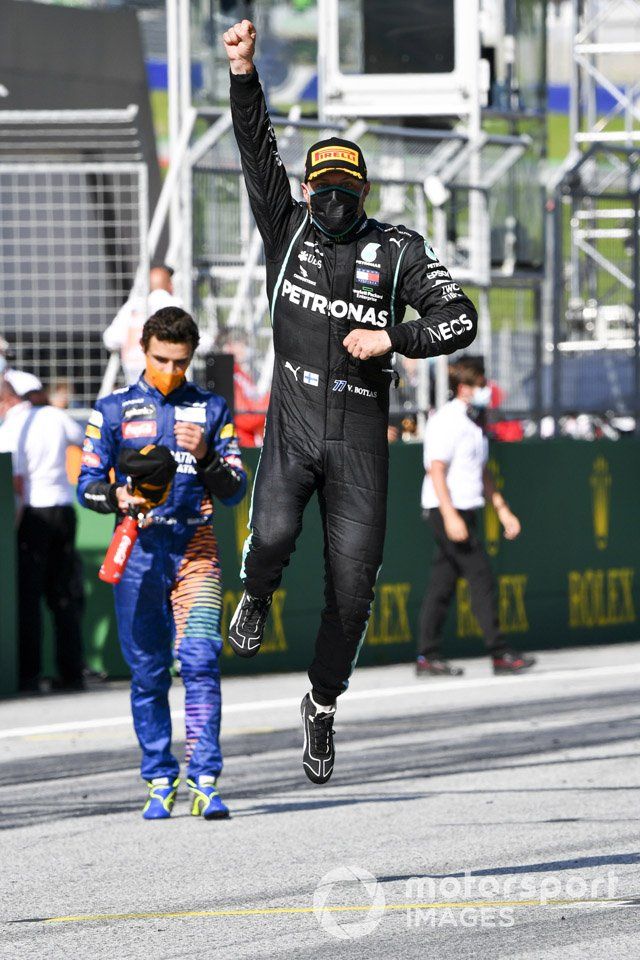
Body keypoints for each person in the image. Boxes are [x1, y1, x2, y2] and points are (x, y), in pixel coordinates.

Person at [223, 20, 478, 784]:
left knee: (354, 588)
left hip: (362, 439)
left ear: (364, 192)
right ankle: (256, 594)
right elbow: (256, 148)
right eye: (322, 189)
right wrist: (243, 72)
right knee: (272, 533)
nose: (332, 200)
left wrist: (393, 337)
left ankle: (323, 703)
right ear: (307, 190)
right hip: (294, 425)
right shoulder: (286, 227)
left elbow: (461, 316)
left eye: (346, 190)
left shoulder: (398, 249)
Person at [78, 307, 247, 820]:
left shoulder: (212, 408)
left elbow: (235, 490)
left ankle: (205, 779)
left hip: (196, 548)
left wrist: (209, 457)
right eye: (161, 360)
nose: (171, 371)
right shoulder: (111, 410)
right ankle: (158, 777)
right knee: (149, 671)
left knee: (199, 661)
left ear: (191, 357)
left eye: (180, 362)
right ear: (143, 351)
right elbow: (86, 486)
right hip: (139, 553)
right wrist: (117, 496)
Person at [416, 357, 535, 677]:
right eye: (480, 385)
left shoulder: (475, 423)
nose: (485, 391)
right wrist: (450, 516)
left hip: (466, 509)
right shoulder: (447, 420)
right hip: (446, 510)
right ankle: (499, 652)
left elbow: (482, 472)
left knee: (442, 584)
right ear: (464, 388)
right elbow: (436, 470)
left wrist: (502, 510)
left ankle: (427, 657)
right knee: (481, 576)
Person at [0, 371, 86, 693]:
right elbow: (85, 441)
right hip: (64, 508)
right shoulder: (54, 416)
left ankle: (29, 675)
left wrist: (14, 526)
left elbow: (17, 483)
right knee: (63, 595)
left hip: (33, 515)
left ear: (8, 398)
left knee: (29, 597)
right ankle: (72, 673)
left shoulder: (11, 429)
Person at [103, 264, 214, 385]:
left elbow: (110, 339)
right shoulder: (174, 305)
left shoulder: (131, 307)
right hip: (167, 380)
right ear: (170, 285)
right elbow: (203, 342)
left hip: (135, 378)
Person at [219, 328, 269, 447]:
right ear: (228, 346)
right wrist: (270, 403)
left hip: (252, 435)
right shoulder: (227, 374)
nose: (244, 348)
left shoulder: (240, 372)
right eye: (240, 344)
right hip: (242, 439)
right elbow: (242, 415)